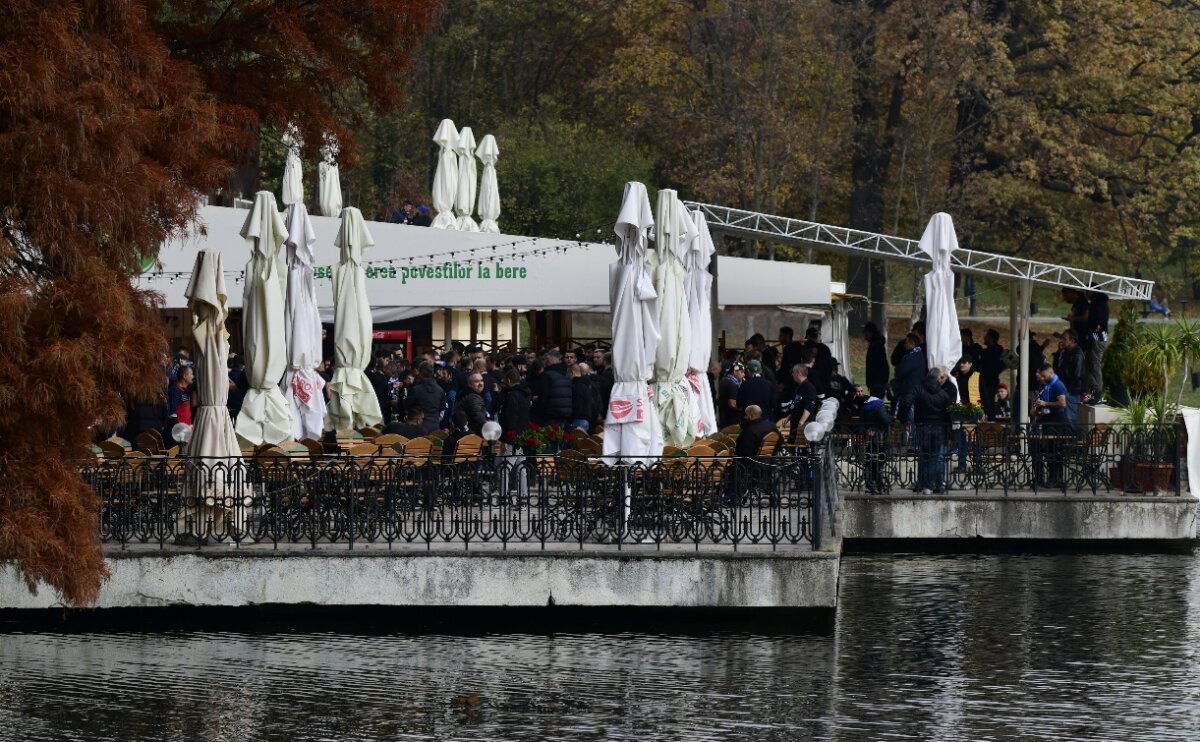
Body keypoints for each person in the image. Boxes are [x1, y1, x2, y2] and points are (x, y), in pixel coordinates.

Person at [913, 367, 952, 494]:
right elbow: (948, 415)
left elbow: (906, 401)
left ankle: (924, 484)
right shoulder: (943, 394)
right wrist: (949, 433)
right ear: (938, 378)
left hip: (922, 425)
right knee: (934, 457)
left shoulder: (919, 389)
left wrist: (904, 419)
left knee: (924, 455)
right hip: (938, 427)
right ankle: (931, 484)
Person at [1032, 362, 1069, 488]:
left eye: (1044, 375)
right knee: (1044, 450)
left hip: (1057, 420)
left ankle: (1056, 478)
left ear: (1051, 372)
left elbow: (1062, 403)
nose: (1042, 378)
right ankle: (1041, 478)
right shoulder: (1044, 386)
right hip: (1046, 419)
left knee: (1054, 451)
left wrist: (1045, 403)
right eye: (1040, 376)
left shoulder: (1057, 385)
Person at [859, 385, 893, 494]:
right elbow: (885, 420)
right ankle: (877, 483)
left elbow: (862, 421)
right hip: (879, 437)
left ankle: (869, 483)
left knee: (870, 460)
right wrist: (892, 418)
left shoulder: (866, 404)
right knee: (879, 460)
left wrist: (868, 430)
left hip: (869, 436)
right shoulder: (879, 405)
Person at [1054, 329, 1085, 433]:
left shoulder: (1077, 354)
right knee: (1065, 418)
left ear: (1072, 340)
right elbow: (1058, 367)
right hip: (1064, 388)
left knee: (1071, 417)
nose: (1062, 341)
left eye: (1065, 339)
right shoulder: (1065, 352)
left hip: (1071, 391)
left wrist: (1068, 390)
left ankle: (1078, 438)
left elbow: (1077, 374)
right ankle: (1069, 438)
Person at [892, 333, 926, 424]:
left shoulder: (911, 357)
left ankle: (910, 432)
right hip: (917, 389)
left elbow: (901, 372)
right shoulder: (921, 355)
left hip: (909, 390)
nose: (904, 345)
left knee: (909, 416)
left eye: (906, 343)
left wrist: (898, 369)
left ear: (912, 344)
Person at [403, 362, 446, 434]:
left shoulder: (416, 390)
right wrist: (437, 420)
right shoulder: (440, 390)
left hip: (419, 426)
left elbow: (407, 406)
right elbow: (443, 409)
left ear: (421, 373)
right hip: (435, 427)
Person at [784, 365, 818, 444]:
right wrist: (789, 416)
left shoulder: (809, 387)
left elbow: (809, 407)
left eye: (793, 372)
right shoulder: (799, 387)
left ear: (798, 373)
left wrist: (801, 422)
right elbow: (798, 405)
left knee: (801, 447)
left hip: (804, 425)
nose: (792, 374)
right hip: (795, 424)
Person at [1086, 291, 1109, 401]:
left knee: (1095, 365)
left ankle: (1098, 392)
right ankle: (1095, 389)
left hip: (1098, 338)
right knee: (1091, 364)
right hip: (1099, 337)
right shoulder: (1101, 303)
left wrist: (1093, 329)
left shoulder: (1097, 303)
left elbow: (1099, 321)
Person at [164, 365, 194, 447]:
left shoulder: (186, 391)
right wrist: (179, 429)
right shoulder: (175, 391)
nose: (193, 376)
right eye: (191, 374)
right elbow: (172, 413)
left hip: (183, 432)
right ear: (185, 376)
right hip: (175, 433)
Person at [863, 323, 889, 395]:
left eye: (866, 333)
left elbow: (883, 363)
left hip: (877, 381)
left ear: (870, 332)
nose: (865, 335)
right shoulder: (875, 344)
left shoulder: (877, 345)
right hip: (876, 380)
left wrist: (884, 380)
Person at [718, 362, 745, 428]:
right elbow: (732, 404)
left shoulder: (724, 380)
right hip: (732, 420)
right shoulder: (732, 384)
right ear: (735, 372)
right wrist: (743, 408)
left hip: (724, 417)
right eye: (741, 372)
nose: (744, 374)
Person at [979, 329, 1006, 393]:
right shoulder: (991, 351)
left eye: (986, 336)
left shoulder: (995, 352)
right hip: (988, 383)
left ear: (991, 338)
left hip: (990, 384)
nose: (984, 338)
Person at [568, 364, 593, 432]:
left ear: (572, 373)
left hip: (577, 419)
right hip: (586, 419)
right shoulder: (587, 386)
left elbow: (577, 404)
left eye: (568, 374)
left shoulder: (575, 387)